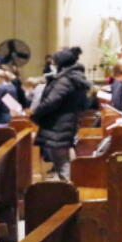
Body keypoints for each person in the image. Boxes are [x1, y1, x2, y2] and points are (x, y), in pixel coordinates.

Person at [32, 47, 91, 181]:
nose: (52, 65)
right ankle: (70, 190)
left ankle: (71, 193)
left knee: (62, 162)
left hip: (58, 124)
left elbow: (51, 101)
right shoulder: (75, 78)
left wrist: (36, 115)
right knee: (63, 160)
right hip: (67, 122)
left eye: (54, 62)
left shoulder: (65, 80)